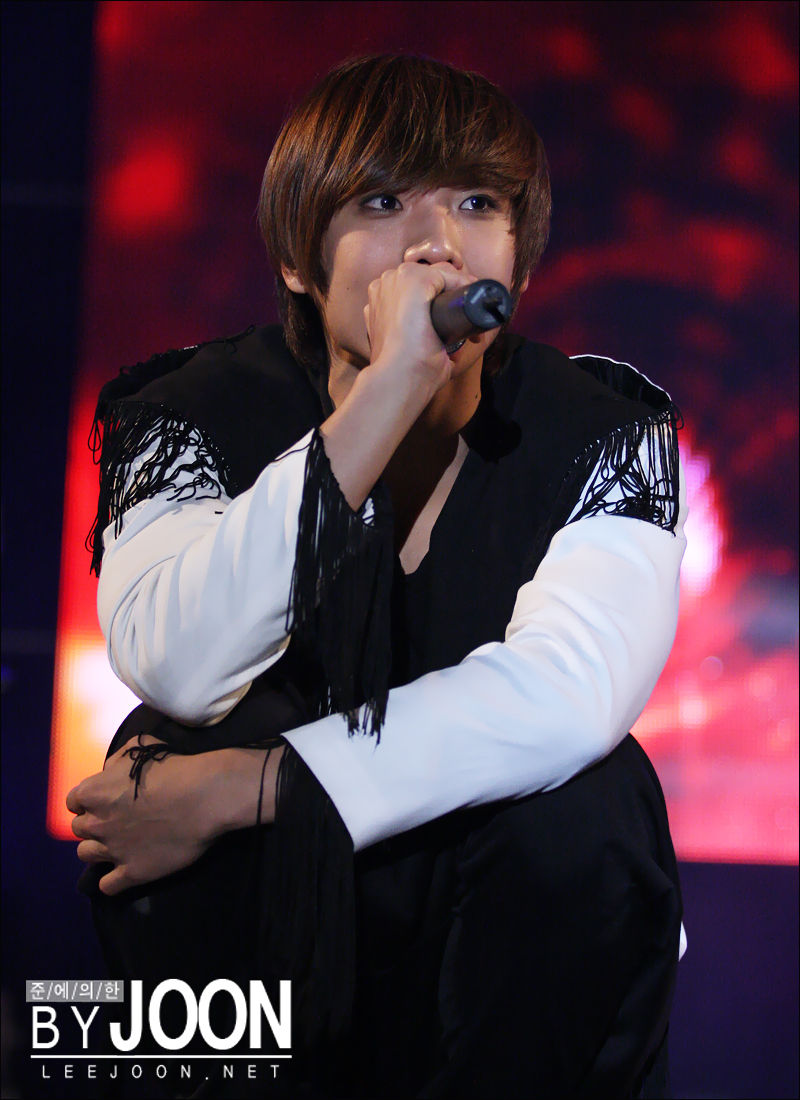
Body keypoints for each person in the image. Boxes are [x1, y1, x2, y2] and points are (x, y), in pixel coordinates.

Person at [67, 54, 686, 1099]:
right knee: (172, 744)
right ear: (298, 258)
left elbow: (568, 694)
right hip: (263, 954)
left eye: (476, 204)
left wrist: (256, 787)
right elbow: (178, 661)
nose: (436, 244)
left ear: (518, 259)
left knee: (589, 799)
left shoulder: (604, 431)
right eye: (384, 202)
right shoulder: (187, 413)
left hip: (503, 958)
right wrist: (384, 395)